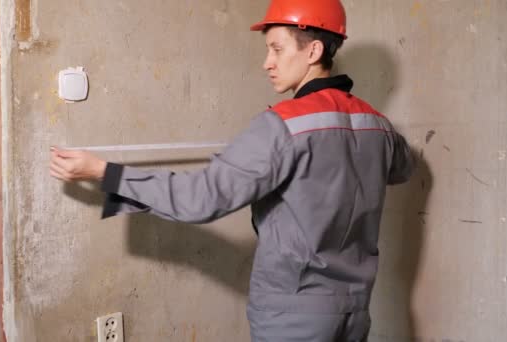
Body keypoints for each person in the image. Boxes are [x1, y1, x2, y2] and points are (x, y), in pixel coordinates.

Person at [49, 0, 415, 340]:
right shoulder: (377, 125)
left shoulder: (283, 126)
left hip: (294, 315)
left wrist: (105, 173)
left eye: (277, 48)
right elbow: (403, 168)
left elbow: (201, 199)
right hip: (355, 311)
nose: (266, 62)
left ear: (314, 50)